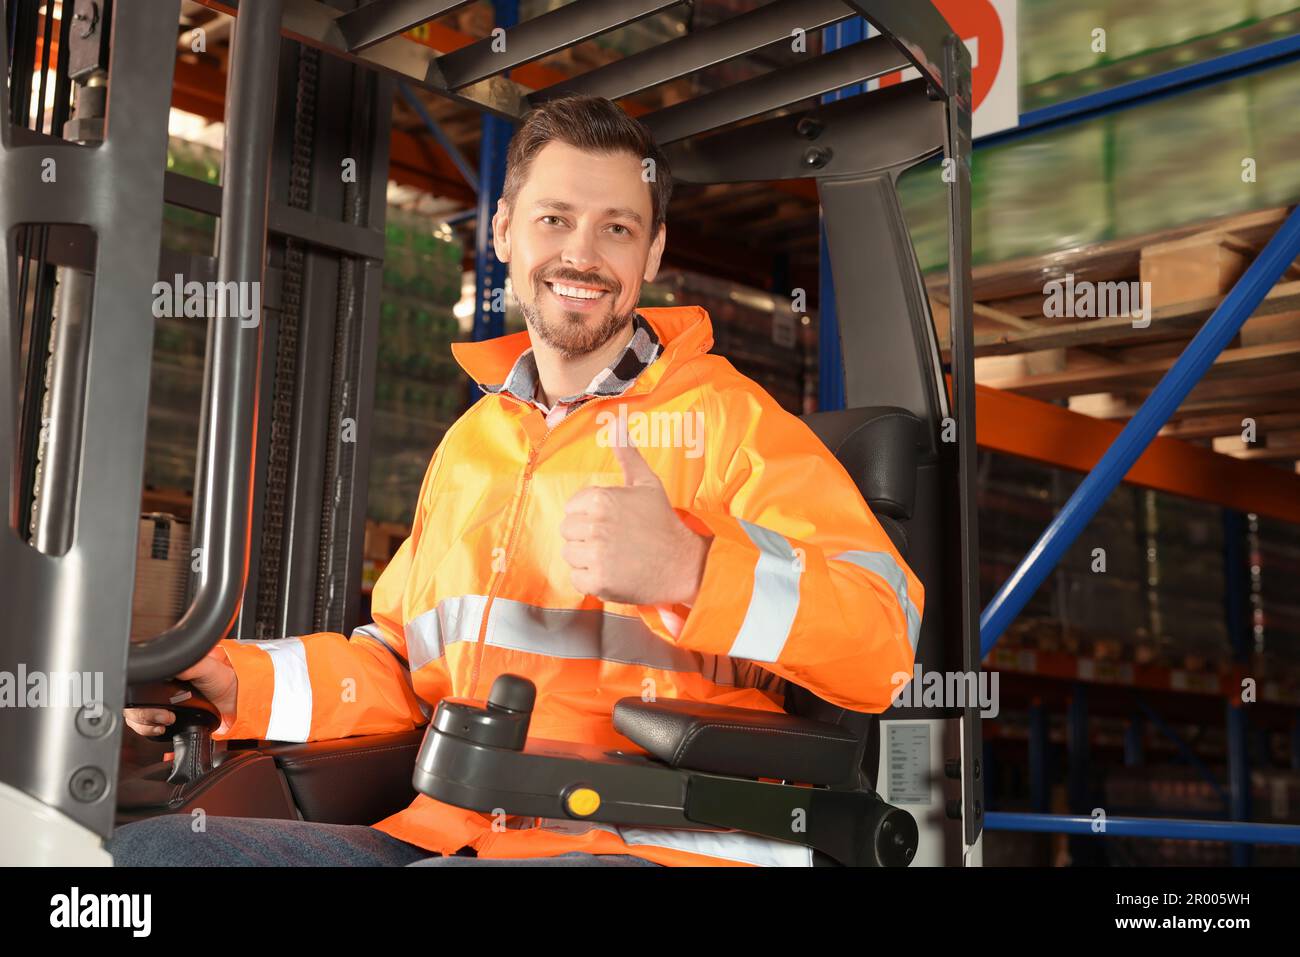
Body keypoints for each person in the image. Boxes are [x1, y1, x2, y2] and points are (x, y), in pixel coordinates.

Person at [112, 94, 924, 868]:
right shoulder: (475, 444)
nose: (583, 254)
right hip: (457, 832)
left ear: (654, 252)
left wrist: (695, 570)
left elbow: (885, 644)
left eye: (617, 228)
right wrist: (236, 679)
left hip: (648, 840)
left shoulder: (734, 424)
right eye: (554, 219)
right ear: (503, 230)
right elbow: (400, 667)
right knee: (145, 856)